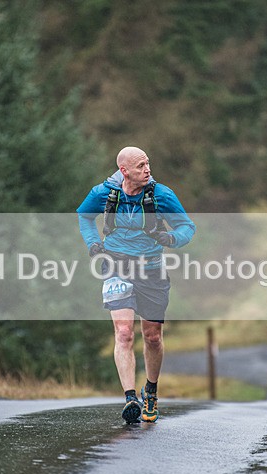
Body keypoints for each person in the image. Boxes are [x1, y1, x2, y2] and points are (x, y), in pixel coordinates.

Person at [77, 146, 196, 424]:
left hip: (151, 269)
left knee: (152, 336)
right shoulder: (104, 193)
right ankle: (131, 397)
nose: (147, 169)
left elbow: (187, 227)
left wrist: (170, 239)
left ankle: (150, 391)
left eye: (148, 163)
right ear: (124, 171)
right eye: (141, 165)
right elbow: (84, 216)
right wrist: (93, 243)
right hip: (115, 266)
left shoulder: (162, 195)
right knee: (124, 332)